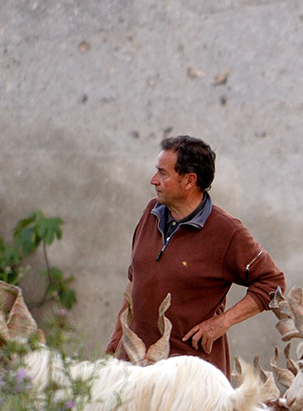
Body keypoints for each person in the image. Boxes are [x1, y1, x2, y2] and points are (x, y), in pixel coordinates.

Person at [105, 135, 285, 374]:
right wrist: (120, 329)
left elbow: (272, 283)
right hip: (136, 368)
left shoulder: (227, 232)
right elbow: (135, 278)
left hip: (191, 379)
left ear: (189, 181)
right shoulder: (151, 212)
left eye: (163, 174)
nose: (153, 180)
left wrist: (222, 322)